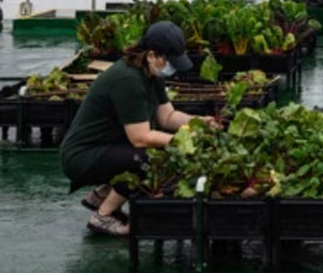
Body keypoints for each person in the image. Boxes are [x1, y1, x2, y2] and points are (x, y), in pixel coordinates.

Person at [60, 21, 213, 236]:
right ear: (152, 55)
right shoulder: (128, 79)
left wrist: (198, 123)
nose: (173, 68)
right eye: (169, 61)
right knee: (149, 159)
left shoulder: (151, 74)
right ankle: (102, 216)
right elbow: (141, 138)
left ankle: (102, 194)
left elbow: (167, 117)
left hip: (108, 146)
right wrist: (186, 141)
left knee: (158, 150)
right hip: (83, 155)